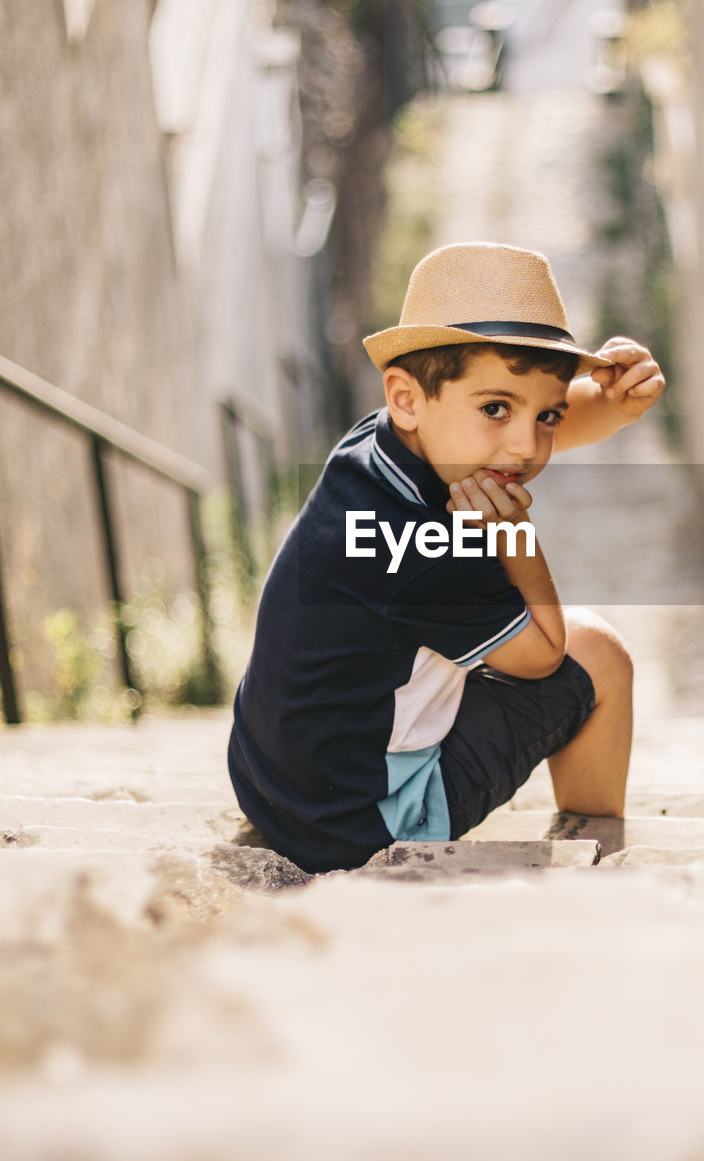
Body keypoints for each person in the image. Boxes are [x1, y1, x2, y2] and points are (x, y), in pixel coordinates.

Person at [228, 243, 665, 873]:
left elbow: (519, 431)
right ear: (408, 398)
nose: (527, 445)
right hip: (359, 821)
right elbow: (544, 653)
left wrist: (616, 406)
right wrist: (514, 532)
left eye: (547, 414)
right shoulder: (425, 548)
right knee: (597, 654)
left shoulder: (382, 445)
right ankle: (593, 845)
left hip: (273, 780)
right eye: (496, 408)